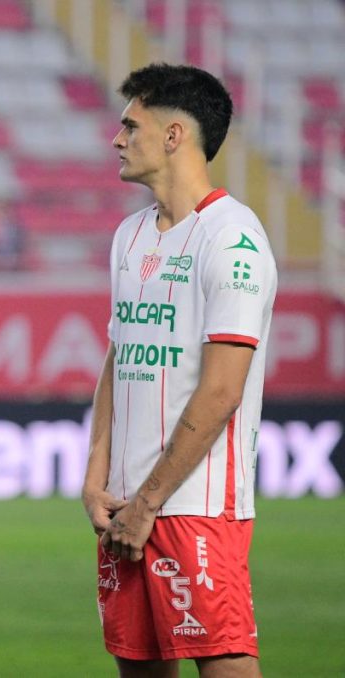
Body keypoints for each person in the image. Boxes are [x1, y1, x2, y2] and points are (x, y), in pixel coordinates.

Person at [81, 63, 276, 677]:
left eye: (130, 125)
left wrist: (152, 502)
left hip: (194, 506)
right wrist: (97, 476)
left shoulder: (234, 240)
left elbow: (222, 389)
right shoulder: (129, 236)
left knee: (225, 665)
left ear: (173, 136)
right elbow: (120, 356)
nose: (117, 138)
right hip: (124, 505)